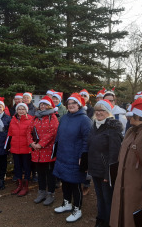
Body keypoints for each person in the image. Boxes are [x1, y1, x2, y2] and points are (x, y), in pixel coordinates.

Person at [110, 98, 142, 227]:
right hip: (122, 183)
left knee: (131, 217)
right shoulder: (130, 130)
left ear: (137, 115)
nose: (128, 118)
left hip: (136, 186)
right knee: (119, 214)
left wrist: (141, 182)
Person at [53, 93, 92, 223]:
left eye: (73, 103)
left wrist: (83, 156)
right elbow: (59, 136)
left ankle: (77, 209)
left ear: (79, 104)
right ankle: (67, 203)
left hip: (76, 157)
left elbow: (87, 140)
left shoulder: (84, 120)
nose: (71, 106)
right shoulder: (64, 118)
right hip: (63, 156)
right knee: (65, 182)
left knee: (75, 184)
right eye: (69, 104)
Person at [87, 99, 123, 227]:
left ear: (108, 112)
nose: (99, 112)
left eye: (102, 110)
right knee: (100, 197)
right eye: (97, 110)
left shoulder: (112, 129)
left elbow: (114, 154)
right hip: (95, 169)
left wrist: (109, 175)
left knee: (108, 198)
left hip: (105, 171)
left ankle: (109, 221)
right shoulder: (94, 126)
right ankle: (100, 218)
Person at [27, 96, 59, 205]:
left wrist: (40, 144)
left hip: (48, 151)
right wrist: (31, 143)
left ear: (49, 106)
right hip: (36, 151)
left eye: (45, 104)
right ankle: (41, 192)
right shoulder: (35, 117)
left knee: (50, 173)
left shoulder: (53, 117)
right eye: (41, 104)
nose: (42, 106)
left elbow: (52, 132)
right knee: (40, 173)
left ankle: (50, 193)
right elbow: (29, 131)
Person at [8, 102, 33, 196]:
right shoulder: (13, 120)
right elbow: (10, 134)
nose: (21, 111)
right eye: (19, 109)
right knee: (17, 167)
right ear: (16, 110)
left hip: (26, 148)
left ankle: (25, 186)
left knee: (26, 167)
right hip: (15, 147)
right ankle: (19, 185)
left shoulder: (31, 119)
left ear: (26, 110)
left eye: (23, 109)